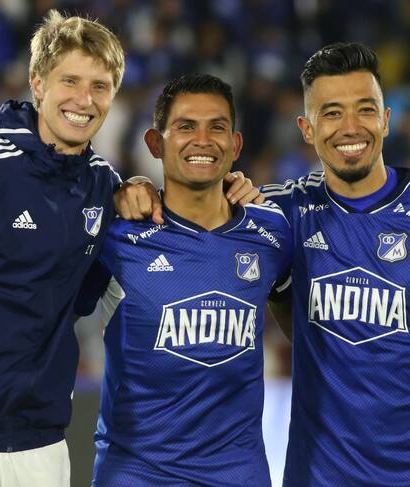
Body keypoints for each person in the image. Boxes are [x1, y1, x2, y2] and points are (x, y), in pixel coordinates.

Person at [0, 11, 259, 487]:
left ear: (114, 96)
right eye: (70, 81)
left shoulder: (105, 188)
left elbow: (81, 299)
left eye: (100, 86)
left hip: (40, 449)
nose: (84, 100)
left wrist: (149, 191)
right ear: (38, 84)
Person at [261, 42, 410, 487]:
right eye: (331, 113)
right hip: (318, 476)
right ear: (306, 129)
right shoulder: (281, 213)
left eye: (365, 109)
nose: (351, 127)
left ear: (386, 119)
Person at [75, 73, 292, 486]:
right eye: (186, 126)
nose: (203, 140)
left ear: (235, 145)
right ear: (156, 143)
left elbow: (297, 320)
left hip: (239, 476)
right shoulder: (117, 236)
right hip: (136, 475)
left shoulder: (273, 234)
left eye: (217, 127)